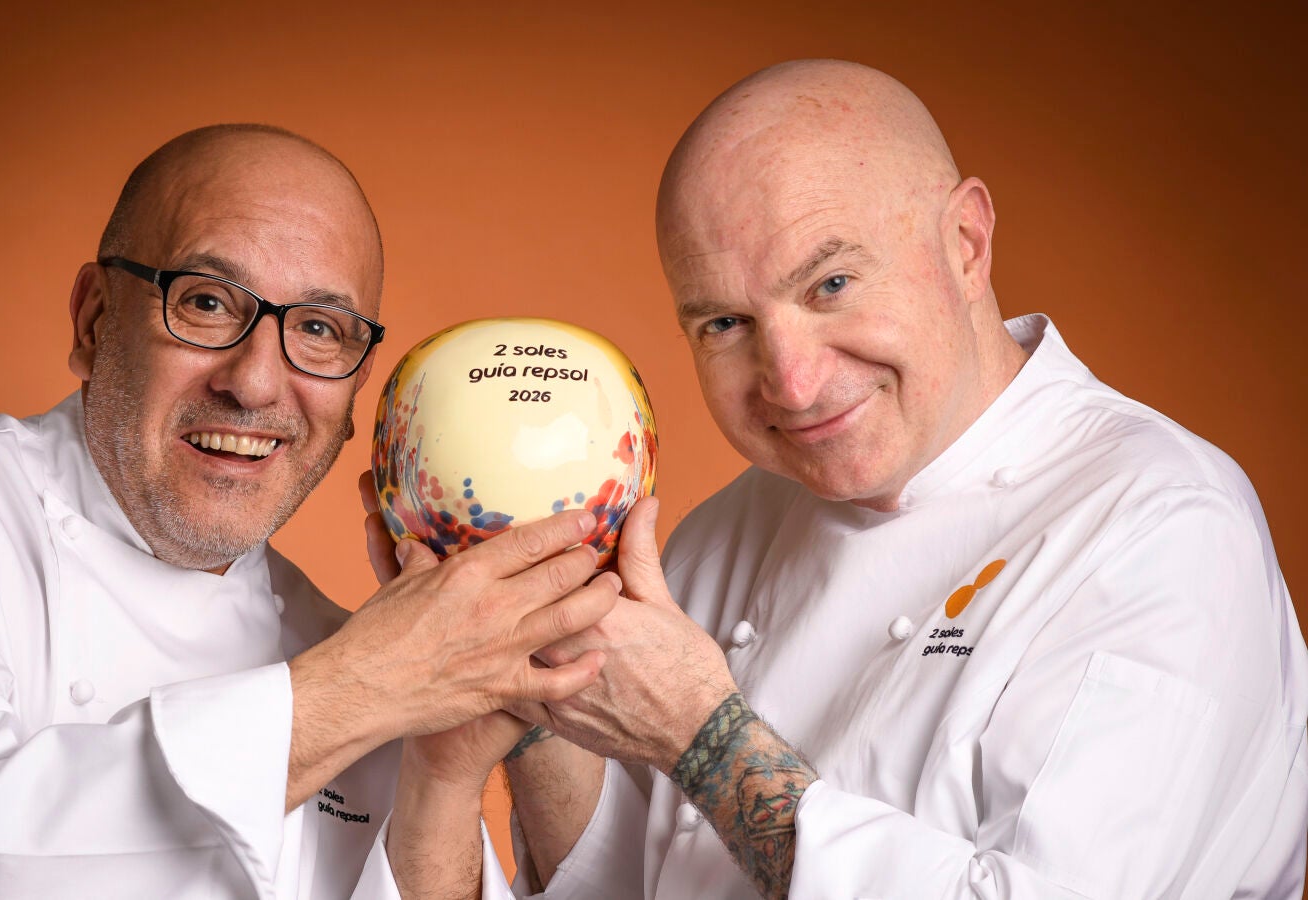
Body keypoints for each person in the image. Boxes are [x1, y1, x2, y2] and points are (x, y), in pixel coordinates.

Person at [0, 125, 620, 899]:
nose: (255, 383)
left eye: (317, 329)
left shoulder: (353, 650)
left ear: (356, 392)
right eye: (207, 303)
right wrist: (374, 684)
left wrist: (445, 775)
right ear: (95, 321)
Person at [498, 60, 1308, 898]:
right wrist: (529, 690)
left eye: (831, 284)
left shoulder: (1164, 526)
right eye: (726, 323)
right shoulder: (718, 536)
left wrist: (701, 735)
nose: (793, 384)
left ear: (966, 244)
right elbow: (623, 886)